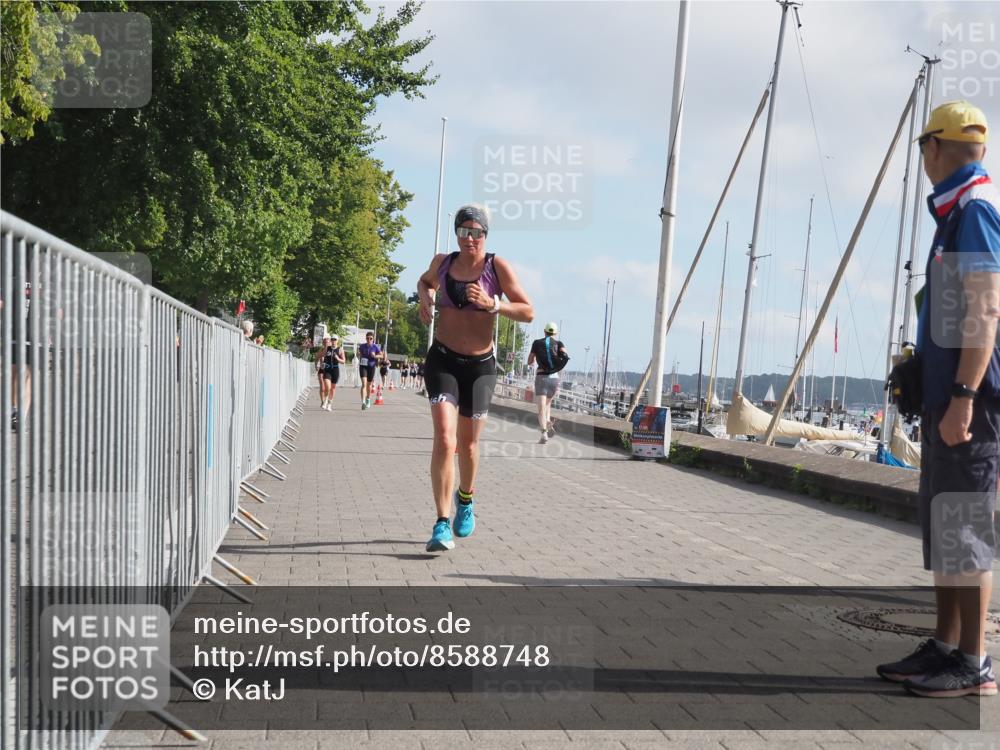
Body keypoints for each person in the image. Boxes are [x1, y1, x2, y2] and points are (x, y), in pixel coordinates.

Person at [876, 101, 999, 698]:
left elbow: (988, 310)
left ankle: (974, 662)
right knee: (949, 526)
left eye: (924, 145)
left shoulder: (974, 214)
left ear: (936, 148)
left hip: (968, 403)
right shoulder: (956, 216)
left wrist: (963, 396)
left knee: (966, 528)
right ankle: (947, 646)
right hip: (950, 397)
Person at [417, 204, 534, 551]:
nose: (470, 239)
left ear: (486, 235)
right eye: (464, 232)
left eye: (477, 232)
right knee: (445, 438)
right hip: (442, 361)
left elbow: (528, 311)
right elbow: (424, 282)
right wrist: (425, 300)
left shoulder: (496, 267)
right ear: (456, 234)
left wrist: (493, 304)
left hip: (480, 368)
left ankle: (465, 500)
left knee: (468, 445)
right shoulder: (443, 263)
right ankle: (441, 523)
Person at [527, 323, 568, 444]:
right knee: (548, 405)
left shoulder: (536, 343)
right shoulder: (559, 344)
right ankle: (548, 420)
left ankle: (544, 433)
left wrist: (532, 361)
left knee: (541, 408)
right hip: (554, 379)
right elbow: (565, 355)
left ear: (544, 331)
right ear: (555, 333)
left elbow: (530, 360)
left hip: (541, 377)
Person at [317, 334, 345, 410]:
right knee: (327, 386)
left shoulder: (340, 349)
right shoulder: (327, 348)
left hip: (335, 370)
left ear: (337, 341)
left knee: (332, 388)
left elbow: (343, 361)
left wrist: (338, 358)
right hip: (327, 369)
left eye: (335, 340)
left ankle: (329, 403)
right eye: (332, 339)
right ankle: (325, 401)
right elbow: (321, 355)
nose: (333, 341)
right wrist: (322, 362)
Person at [357, 331, 382, 410]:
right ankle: (363, 402)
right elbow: (359, 353)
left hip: (371, 366)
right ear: (366, 338)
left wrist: (375, 356)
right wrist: (359, 356)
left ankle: (368, 399)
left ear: (373, 339)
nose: (369, 340)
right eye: (367, 338)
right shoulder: (362, 346)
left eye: (370, 338)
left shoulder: (375, 347)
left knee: (369, 384)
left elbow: (382, 355)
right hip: (363, 366)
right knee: (364, 384)